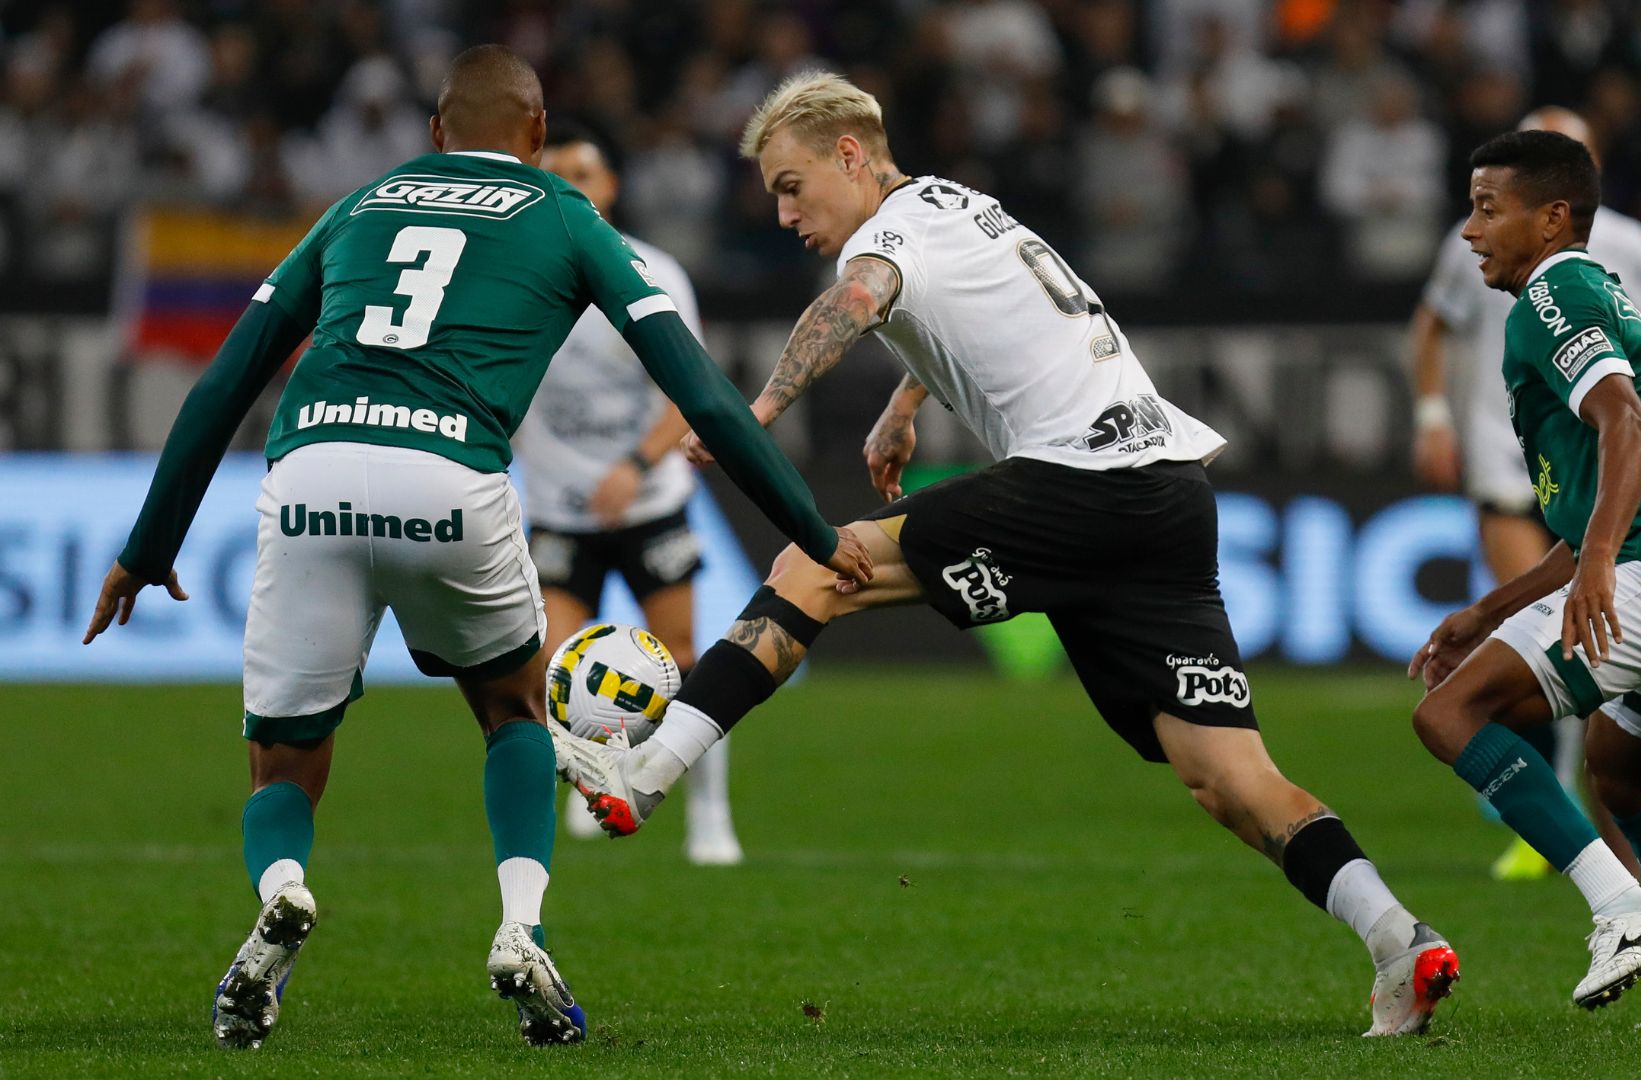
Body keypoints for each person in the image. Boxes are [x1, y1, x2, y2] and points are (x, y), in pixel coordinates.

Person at [551, 71, 1460, 1038]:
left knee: (814, 569)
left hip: (1079, 485)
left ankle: (643, 774)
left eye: (791, 185)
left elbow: (859, 299)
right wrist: (907, 402)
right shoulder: (961, 207)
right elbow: (1003, 316)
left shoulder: (881, 239)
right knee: (1228, 778)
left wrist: (754, 409)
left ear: (851, 156)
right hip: (1166, 496)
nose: (783, 213)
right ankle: (1400, 941)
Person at [82, 46, 867, 1049]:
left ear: (433, 135)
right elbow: (703, 395)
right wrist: (811, 530)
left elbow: (222, 385)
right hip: (451, 477)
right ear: (538, 136)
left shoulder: (361, 203)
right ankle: (518, 931)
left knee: (280, 760)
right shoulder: (563, 213)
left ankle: (283, 891)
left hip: (311, 472)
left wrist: (148, 549)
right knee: (511, 710)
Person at [1409, 129, 1641, 1030]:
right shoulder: (1587, 294)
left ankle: (1624, 910)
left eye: (1488, 208)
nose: (1469, 231)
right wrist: (1487, 611)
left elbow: (1629, 430)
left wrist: (1607, 567)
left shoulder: (1555, 293)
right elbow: (1585, 521)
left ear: (1553, 218)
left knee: (1450, 714)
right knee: (1618, 771)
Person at [1409, 107, 1641, 882]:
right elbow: (1430, 323)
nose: (1472, 228)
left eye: (1488, 209)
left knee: (1549, 663)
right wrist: (1434, 416)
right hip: (1517, 463)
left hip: (1608, 464)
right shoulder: (1507, 248)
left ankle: (1584, 857)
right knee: (1549, 634)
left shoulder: (1588, 264)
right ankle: (1569, 829)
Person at [518, 123, 742, 865]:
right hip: (557, 506)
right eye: (556, 173)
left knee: (683, 658)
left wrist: (636, 468)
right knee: (554, 667)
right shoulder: (518, 275)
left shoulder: (653, 271)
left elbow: (687, 390)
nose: (571, 185)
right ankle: (596, 786)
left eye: (583, 171)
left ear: (609, 187)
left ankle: (709, 815)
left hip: (648, 501)